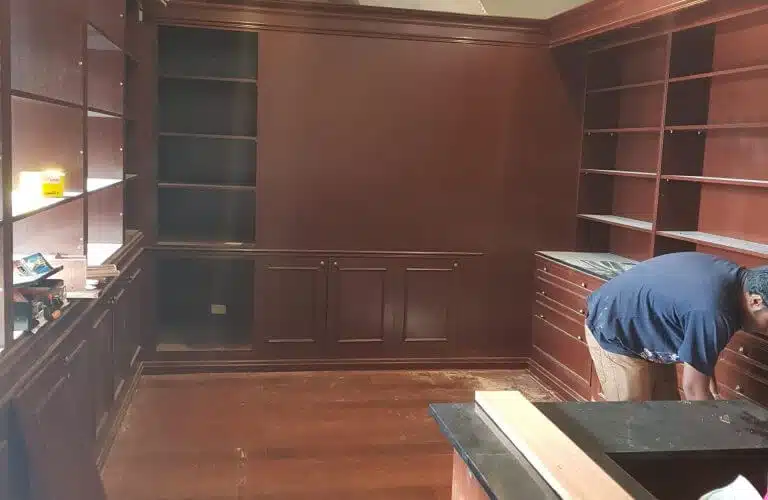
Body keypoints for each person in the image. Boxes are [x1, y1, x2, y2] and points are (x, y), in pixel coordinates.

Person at [584, 251, 768, 402]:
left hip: (649, 326)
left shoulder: (735, 282)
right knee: (633, 420)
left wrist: (710, 389)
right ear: (756, 301)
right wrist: (714, 431)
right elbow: (693, 390)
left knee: (667, 413)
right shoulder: (714, 310)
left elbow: (702, 345)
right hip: (614, 326)